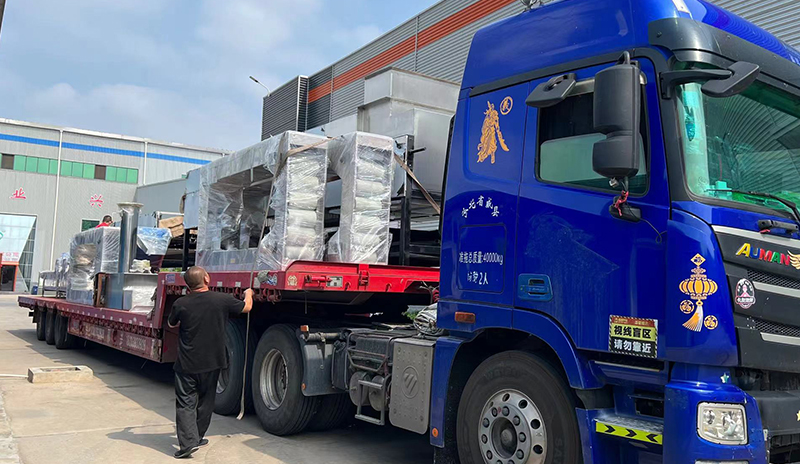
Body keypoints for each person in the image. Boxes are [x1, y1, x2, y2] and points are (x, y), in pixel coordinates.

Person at [167, 266, 254, 458]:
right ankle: (197, 437)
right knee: (206, 401)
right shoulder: (221, 300)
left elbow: (171, 323)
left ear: (187, 285)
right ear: (206, 279)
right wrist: (248, 294)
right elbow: (246, 307)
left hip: (187, 363)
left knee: (186, 403)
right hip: (213, 362)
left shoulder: (181, 303)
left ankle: (188, 444)